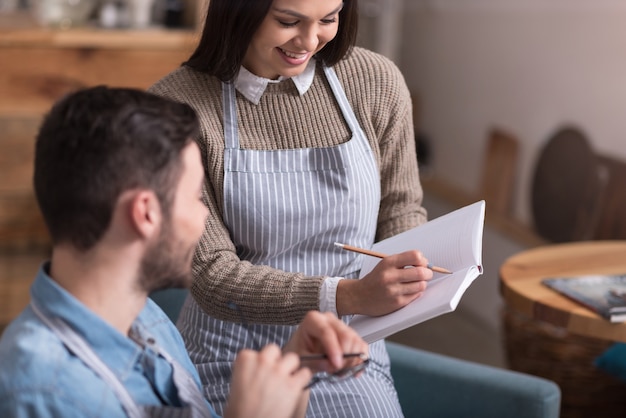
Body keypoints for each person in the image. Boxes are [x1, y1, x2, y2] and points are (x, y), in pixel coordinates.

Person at [0, 86, 369, 418]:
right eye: (195, 198)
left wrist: (292, 372)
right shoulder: (43, 392)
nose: (203, 216)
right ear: (145, 213)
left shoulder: (146, 318)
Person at [149, 0, 434, 416]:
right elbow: (211, 273)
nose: (309, 40)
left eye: (328, 19)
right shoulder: (174, 106)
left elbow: (401, 205)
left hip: (346, 351)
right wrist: (348, 294)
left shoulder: (374, 81)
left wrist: (411, 262)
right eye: (288, 21)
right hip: (231, 357)